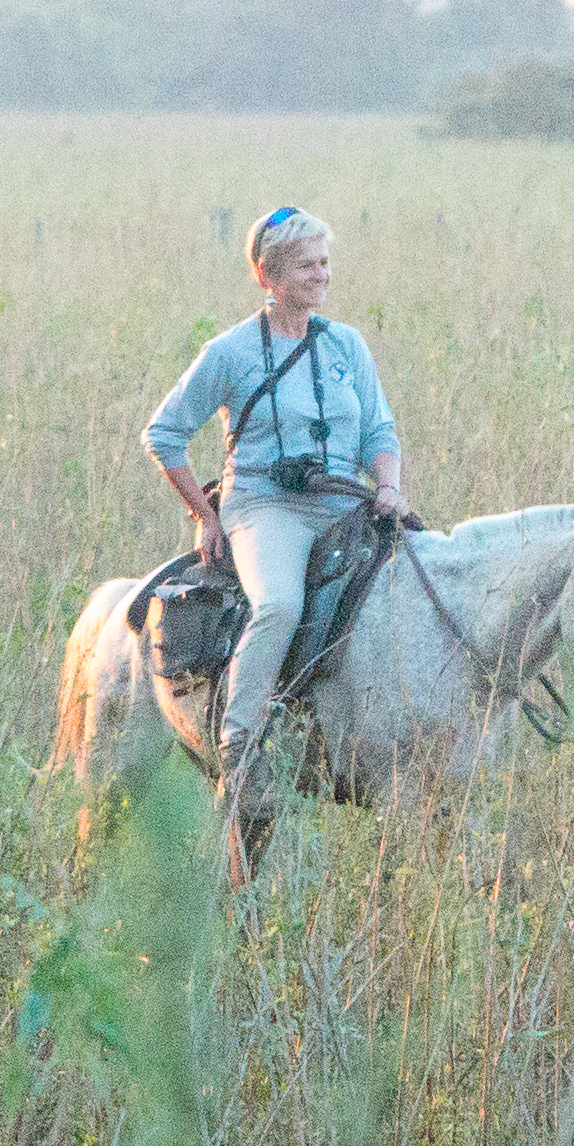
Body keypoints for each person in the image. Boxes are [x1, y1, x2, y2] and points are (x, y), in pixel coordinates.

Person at [141, 202, 408, 850]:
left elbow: (380, 428)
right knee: (281, 602)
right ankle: (238, 744)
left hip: (344, 503)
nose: (323, 276)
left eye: (326, 262)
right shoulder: (230, 352)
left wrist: (390, 487)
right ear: (269, 275)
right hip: (265, 507)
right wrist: (204, 517)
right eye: (308, 266)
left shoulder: (347, 345)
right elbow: (165, 433)